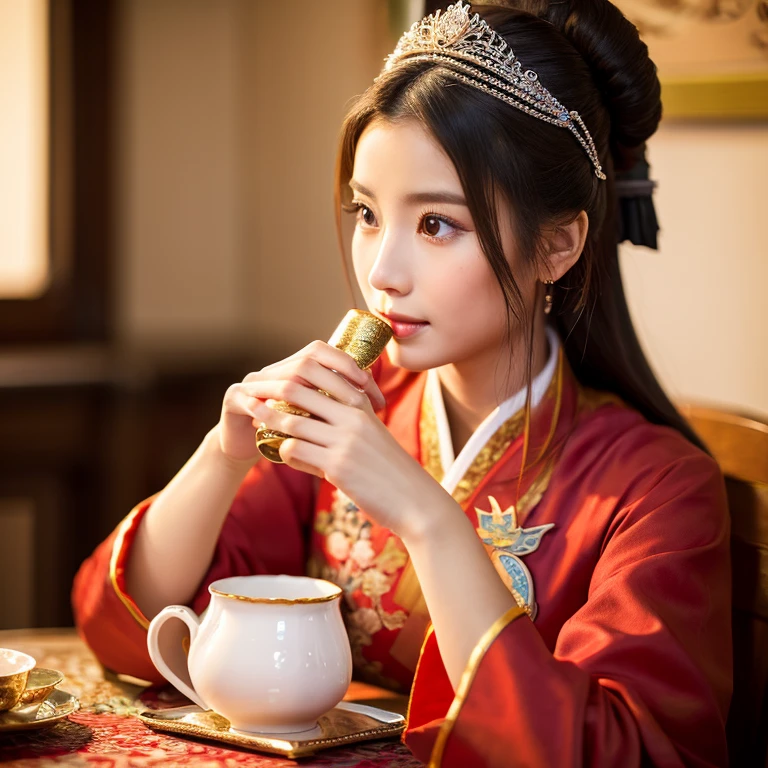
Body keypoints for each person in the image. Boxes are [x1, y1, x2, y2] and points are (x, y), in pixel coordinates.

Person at [72, 2, 732, 765]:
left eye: (435, 225)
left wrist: (428, 518)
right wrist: (223, 456)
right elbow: (128, 627)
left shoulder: (657, 489)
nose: (382, 273)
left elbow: (620, 753)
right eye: (367, 213)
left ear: (556, 243)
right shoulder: (355, 411)